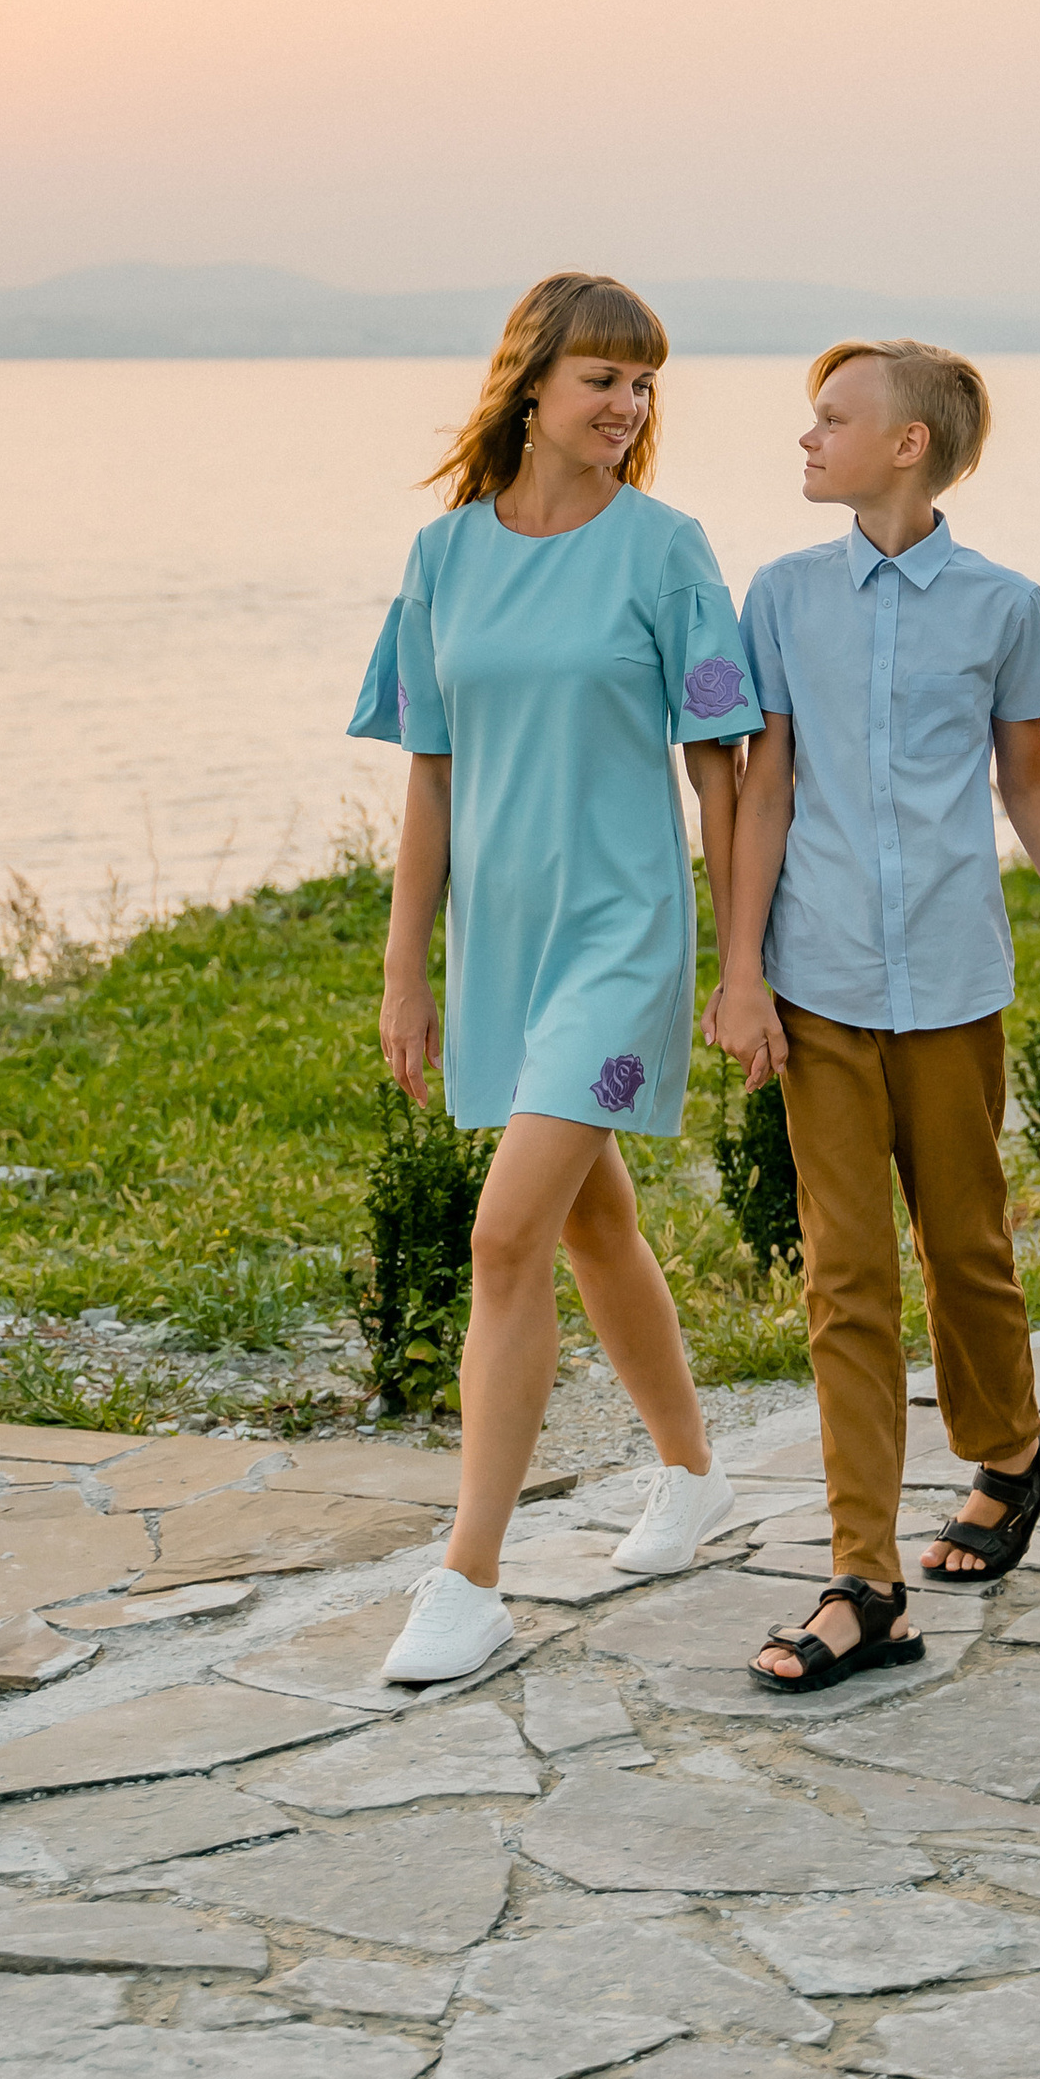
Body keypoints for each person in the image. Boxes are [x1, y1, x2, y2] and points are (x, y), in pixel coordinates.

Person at [350, 270, 765, 1686]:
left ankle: (467, 1580)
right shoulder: (445, 557)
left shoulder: (665, 551)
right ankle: (696, 1475)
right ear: (531, 384)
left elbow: (723, 770)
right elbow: (432, 775)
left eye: (644, 384)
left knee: (503, 1238)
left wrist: (740, 963)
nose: (627, 406)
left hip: (619, 935)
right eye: (603, 378)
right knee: (592, 1228)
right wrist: (406, 970)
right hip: (501, 953)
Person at [709, 341, 1040, 1692]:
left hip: (954, 980)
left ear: (908, 444)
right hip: (819, 986)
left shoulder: (999, 605)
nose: (808, 437)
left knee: (966, 1247)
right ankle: (863, 1576)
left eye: (833, 419)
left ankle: (1014, 1450)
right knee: (843, 1274)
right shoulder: (784, 596)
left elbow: (1028, 785)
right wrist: (739, 970)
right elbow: (765, 789)